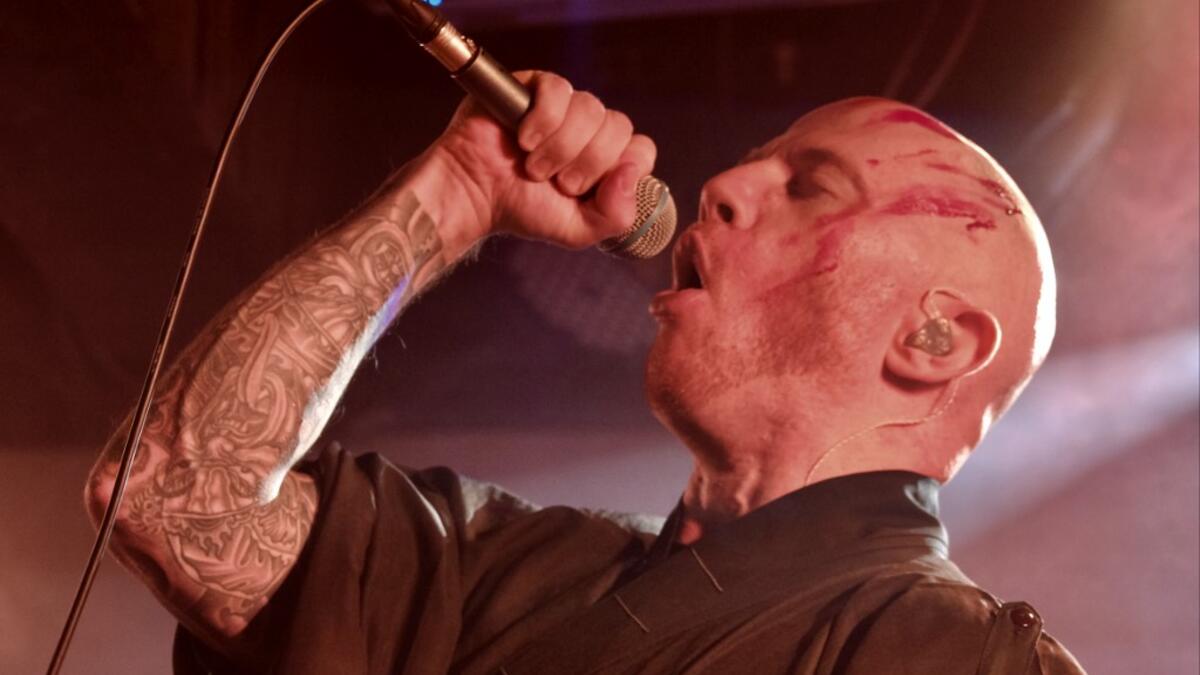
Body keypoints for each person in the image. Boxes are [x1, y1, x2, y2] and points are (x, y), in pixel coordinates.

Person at [86, 71, 1085, 674]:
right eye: (755, 161)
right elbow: (169, 496)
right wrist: (459, 191)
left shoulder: (958, 656)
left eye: (810, 186)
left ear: (937, 340)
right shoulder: (497, 569)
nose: (725, 185)